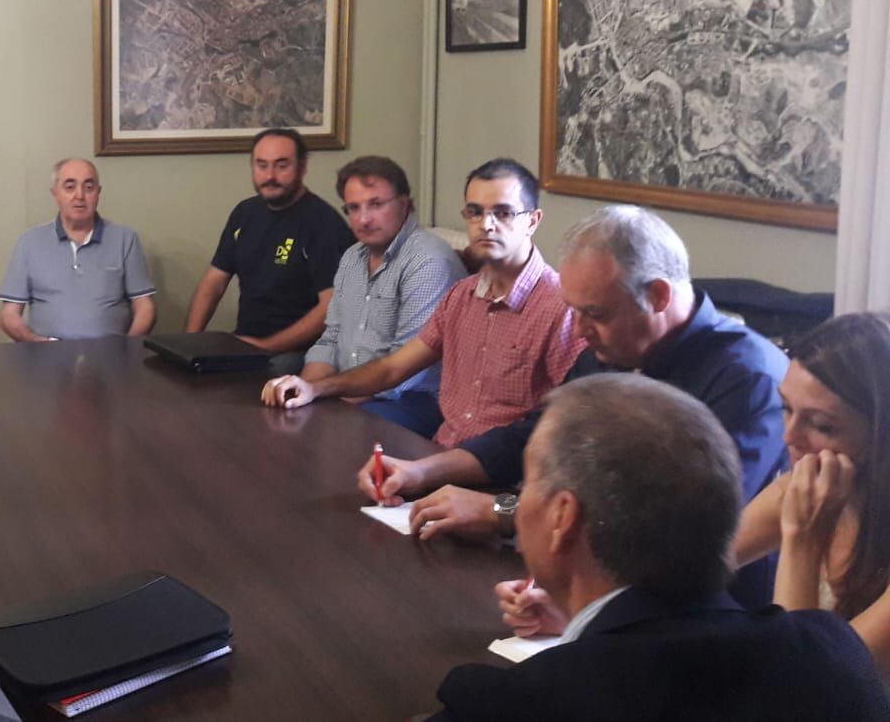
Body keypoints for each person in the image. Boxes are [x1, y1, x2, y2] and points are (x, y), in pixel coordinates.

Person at [358, 206, 787, 605]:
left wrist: (504, 512)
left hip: (699, 604)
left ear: (658, 296)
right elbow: (536, 432)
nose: (579, 330)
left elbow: (682, 527)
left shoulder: (748, 378)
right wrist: (421, 471)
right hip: (593, 571)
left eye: (595, 314)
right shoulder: (615, 344)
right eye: (574, 311)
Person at [427, 374, 888, 721]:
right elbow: (695, 573)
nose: (790, 438)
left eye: (527, 485)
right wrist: (584, 609)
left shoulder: (518, 703)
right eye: (785, 410)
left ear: (562, 517)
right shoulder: (841, 661)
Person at [263, 159, 583, 450]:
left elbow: (571, 426)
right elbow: (391, 368)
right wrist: (315, 389)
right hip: (444, 453)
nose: (486, 225)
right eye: (475, 212)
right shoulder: (462, 296)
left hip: (490, 472)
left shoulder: (561, 306)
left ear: (533, 221)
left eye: (503, 213)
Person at [727, 312, 890, 675]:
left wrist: (801, 540)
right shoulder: (805, 486)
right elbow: (692, 566)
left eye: (821, 425)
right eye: (786, 409)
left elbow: (810, 685)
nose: (789, 436)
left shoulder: (808, 502)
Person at [295, 156, 464, 437]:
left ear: (404, 204)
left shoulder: (428, 261)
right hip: (349, 389)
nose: (363, 219)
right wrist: (303, 391)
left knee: (330, 430)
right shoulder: (352, 257)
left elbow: (402, 370)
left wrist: (327, 396)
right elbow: (331, 338)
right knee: (287, 419)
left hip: (411, 398)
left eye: (376, 204)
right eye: (354, 208)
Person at [185, 128, 352, 376]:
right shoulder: (244, 213)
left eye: (281, 166)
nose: (270, 176)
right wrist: (189, 343)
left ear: (302, 167)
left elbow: (331, 307)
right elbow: (214, 283)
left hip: (301, 352)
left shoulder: (322, 222)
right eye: (261, 165)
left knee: (244, 383)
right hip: (246, 343)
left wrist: (266, 347)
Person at [0, 157, 156, 341]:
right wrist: (36, 344)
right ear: (55, 193)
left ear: (98, 193)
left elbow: (145, 307)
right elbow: (9, 315)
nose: (79, 195)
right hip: (45, 354)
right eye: (70, 187)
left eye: (88, 187)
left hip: (111, 354)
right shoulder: (29, 242)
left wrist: (128, 348)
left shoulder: (125, 239)